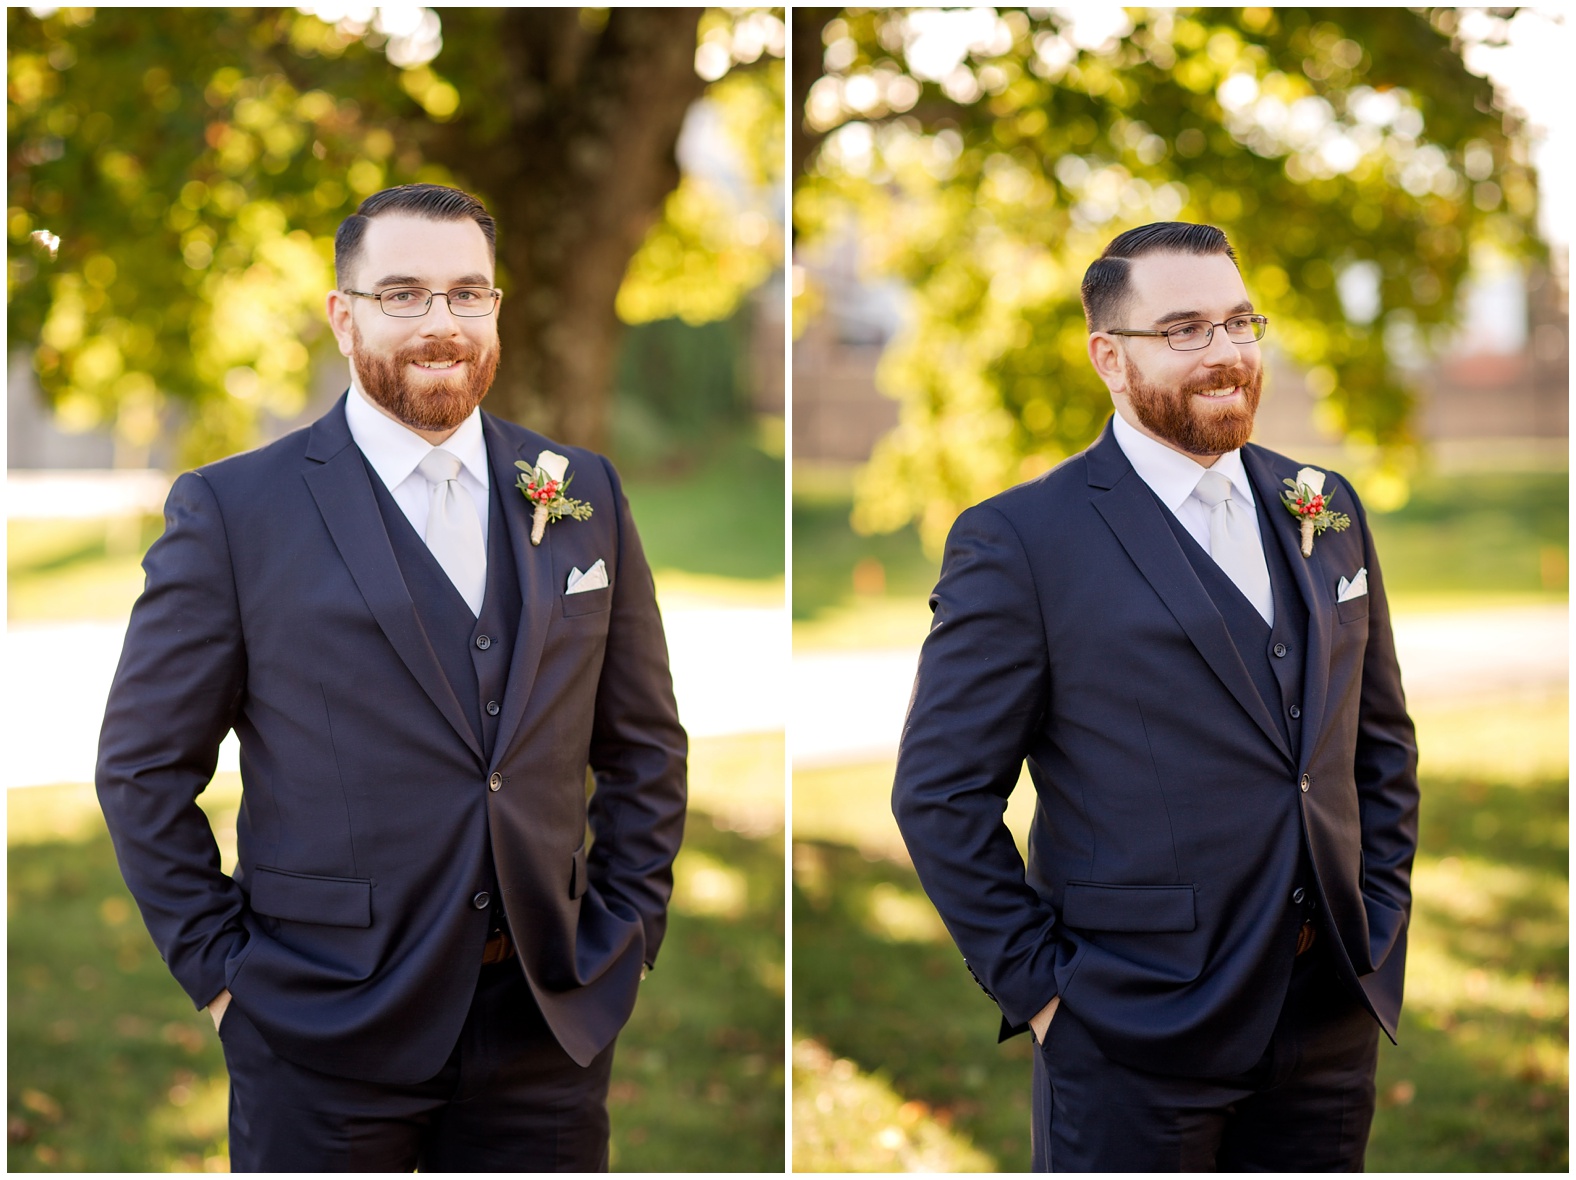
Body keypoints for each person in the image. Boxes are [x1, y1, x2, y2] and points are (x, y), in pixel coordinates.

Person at [96, 183, 687, 1171]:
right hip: (319, 1025)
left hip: (546, 1023)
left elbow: (643, 745)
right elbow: (141, 769)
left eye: (467, 294)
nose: (441, 323)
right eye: (403, 294)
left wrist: (624, 933)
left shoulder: (579, 492)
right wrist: (223, 976)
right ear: (344, 314)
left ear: (496, 307)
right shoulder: (233, 511)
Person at [891, 221, 1417, 1171]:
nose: (1224, 353)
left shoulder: (1325, 504)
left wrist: (1378, 922)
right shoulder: (1020, 541)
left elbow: (1378, 744)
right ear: (1109, 357)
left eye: (1238, 322)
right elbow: (939, 793)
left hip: (1330, 1015)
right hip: (1131, 1035)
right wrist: (1046, 995)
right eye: (1183, 331)